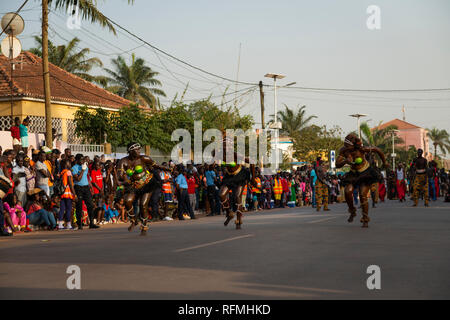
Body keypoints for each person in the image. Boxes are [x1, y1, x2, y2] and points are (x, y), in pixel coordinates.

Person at [336, 133, 388, 228]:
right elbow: (337, 164)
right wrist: (346, 161)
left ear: (353, 145)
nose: (346, 147)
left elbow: (378, 150)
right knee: (347, 191)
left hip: (365, 173)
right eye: (345, 145)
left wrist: (385, 162)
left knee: (362, 195)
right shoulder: (343, 150)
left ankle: (365, 218)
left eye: (348, 146)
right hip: (353, 174)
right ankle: (352, 211)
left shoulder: (361, 149)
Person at [116, 142, 169, 235]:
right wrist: (126, 177)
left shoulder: (144, 158)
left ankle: (144, 226)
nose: (139, 151)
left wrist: (168, 169)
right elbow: (120, 176)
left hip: (147, 184)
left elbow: (156, 166)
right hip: (134, 186)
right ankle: (134, 220)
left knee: (143, 205)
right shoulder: (123, 161)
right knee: (127, 200)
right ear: (130, 151)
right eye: (136, 150)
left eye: (139, 149)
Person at [72, 153, 99, 230]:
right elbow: (78, 179)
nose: (82, 161)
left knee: (90, 205)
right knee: (79, 206)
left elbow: (87, 178)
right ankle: (80, 224)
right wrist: (83, 170)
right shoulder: (74, 168)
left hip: (86, 187)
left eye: (83, 159)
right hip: (78, 188)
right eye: (81, 159)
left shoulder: (85, 167)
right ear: (77, 160)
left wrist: (91, 187)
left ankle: (91, 223)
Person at [58, 159, 76, 230]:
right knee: (68, 209)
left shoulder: (62, 172)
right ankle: (68, 224)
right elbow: (71, 184)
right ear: (66, 164)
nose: (70, 164)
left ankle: (60, 224)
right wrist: (74, 194)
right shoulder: (68, 172)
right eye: (69, 163)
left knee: (62, 209)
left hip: (62, 193)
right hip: (68, 193)